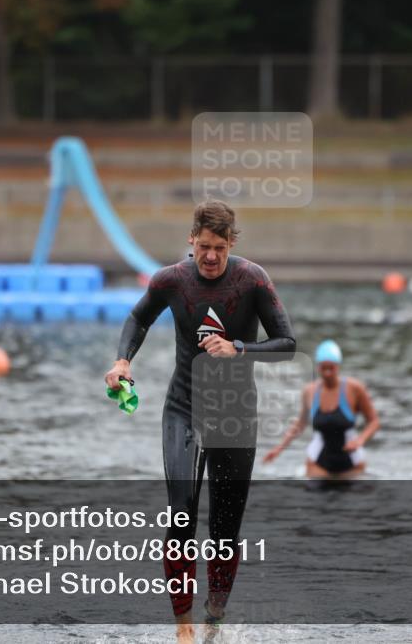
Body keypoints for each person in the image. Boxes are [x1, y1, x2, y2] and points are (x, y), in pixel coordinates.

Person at [104, 199, 295, 643]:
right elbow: (138, 317)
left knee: (226, 528)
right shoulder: (172, 280)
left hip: (234, 413)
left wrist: (240, 348)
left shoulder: (253, 280)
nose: (211, 257)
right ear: (192, 240)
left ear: (232, 244)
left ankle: (215, 617)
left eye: (220, 249)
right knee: (181, 514)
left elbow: (287, 342)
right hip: (184, 409)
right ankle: (183, 627)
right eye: (204, 246)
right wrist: (122, 361)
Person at [264, 340, 380, 480]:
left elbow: (374, 422)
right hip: (318, 460)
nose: (327, 373)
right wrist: (279, 449)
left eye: (331, 368)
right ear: (318, 367)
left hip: (352, 461)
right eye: (323, 368)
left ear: (338, 366)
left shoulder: (355, 389)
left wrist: (360, 440)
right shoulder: (310, 391)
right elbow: (300, 424)